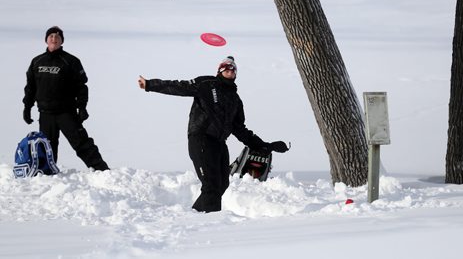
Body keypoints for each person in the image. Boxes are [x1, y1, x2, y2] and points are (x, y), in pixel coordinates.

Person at [138, 56, 288, 212]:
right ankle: (211, 225)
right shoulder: (207, 85)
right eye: (227, 68)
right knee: (211, 184)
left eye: (233, 69)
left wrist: (265, 146)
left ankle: (196, 216)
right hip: (201, 138)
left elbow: (240, 129)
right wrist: (150, 84)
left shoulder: (235, 100)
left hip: (219, 143)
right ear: (220, 70)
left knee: (222, 184)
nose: (230, 71)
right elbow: (179, 87)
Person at [22, 26, 109, 171]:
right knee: (46, 148)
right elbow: (30, 87)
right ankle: (47, 175)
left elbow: (81, 86)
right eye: (51, 36)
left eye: (57, 37)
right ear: (46, 40)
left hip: (66, 113)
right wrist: (27, 107)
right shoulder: (37, 61)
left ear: (62, 41)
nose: (54, 39)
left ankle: (102, 171)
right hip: (45, 113)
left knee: (82, 143)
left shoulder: (71, 61)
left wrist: (82, 107)